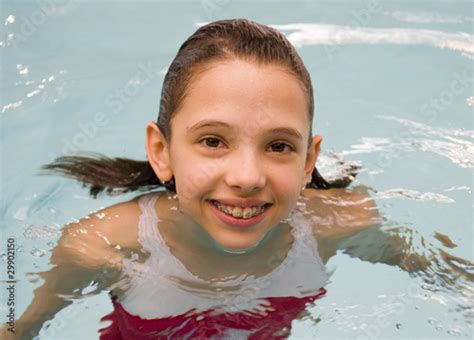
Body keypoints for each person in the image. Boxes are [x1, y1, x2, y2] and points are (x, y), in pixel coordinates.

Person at [2, 19, 379, 339]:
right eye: (213, 141)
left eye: (278, 146)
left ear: (308, 161)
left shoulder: (337, 223)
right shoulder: (103, 247)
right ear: (162, 152)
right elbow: (22, 326)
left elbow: (437, 275)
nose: (247, 177)